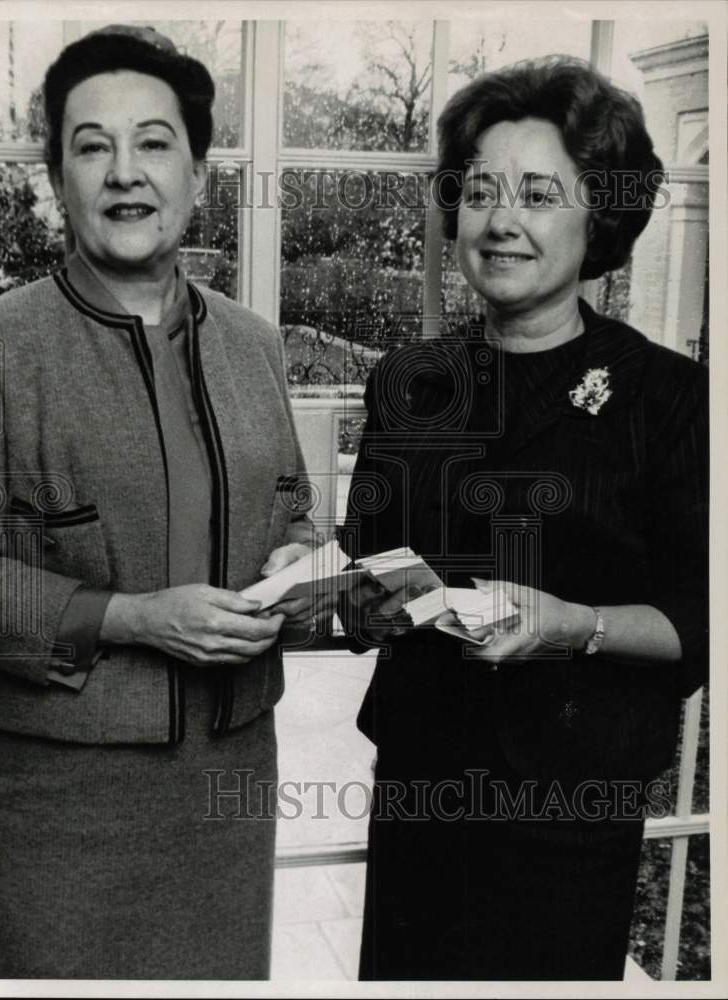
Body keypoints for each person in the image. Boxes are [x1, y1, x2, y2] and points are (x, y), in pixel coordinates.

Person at [0, 24, 323, 980]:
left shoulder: (256, 345)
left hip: (226, 792)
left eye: (154, 143)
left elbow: (297, 516)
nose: (125, 173)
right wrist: (135, 618)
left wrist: (298, 562)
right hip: (59, 808)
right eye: (91, 146)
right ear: (56, 177)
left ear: (199, 172)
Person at [340, 56, 708, 981]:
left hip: (568, 809)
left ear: (601, 220)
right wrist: (342, 596)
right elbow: (364, 582)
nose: (499, 221)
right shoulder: (408, 379)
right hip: (421, 791)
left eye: (538, 194)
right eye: (479, 192)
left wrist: (568, 627)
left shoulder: (669, 397)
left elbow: (701, 620)